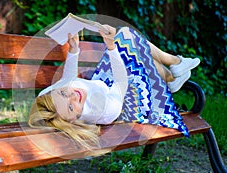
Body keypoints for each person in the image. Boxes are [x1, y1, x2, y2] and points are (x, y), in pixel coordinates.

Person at [28, 25, 200, 149]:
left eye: (64, 93)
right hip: (127, 98)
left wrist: (74, 50)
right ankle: (175, 65)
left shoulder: (48, 98)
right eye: (72, 106)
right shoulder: (103, 110)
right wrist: (111, 47)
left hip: (104, 83)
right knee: (128, 44)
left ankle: (172, 76)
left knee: (128, 42)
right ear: (75, 119)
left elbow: (67, 79)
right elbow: (120, 83)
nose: (74, 95)